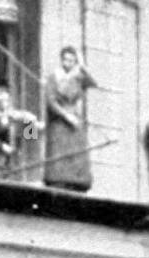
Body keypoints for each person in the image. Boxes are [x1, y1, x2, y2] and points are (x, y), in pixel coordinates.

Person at [44, 47, 97, 192]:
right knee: (60, 151)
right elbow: (51, 101)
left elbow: (93, 83)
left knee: (77, 151)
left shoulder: (78, 77)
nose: (68, 63)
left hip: (75, 119)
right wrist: (65, 115)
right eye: (66, 60)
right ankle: (59, 180)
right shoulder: (54, 77)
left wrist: (82, 67)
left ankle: (77, 180)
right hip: (60, 120)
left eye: (72, 60)